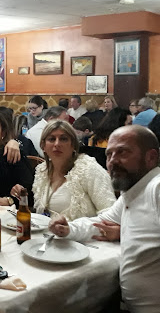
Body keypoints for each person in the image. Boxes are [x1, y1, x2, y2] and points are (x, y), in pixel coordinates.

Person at [49, 125, 160, 312]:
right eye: (109, 155)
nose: (113, 161)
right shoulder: (132, 193)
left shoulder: (155, 188)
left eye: (122, 152)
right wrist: (69, 228)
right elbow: (101, 221)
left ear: (150, 157)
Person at [21, 120, 115, 220]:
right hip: (46, 233)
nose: (57, 144)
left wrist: (74, 229)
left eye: (63, 139)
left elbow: (110, 214)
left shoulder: (88, 169)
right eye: (52, 139)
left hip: (81, 234)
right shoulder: (42, 170)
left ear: (73, 145)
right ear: (43, 145)